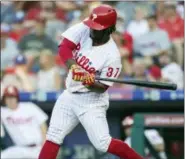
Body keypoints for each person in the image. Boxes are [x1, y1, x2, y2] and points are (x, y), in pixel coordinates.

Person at [39, 4, 143, 159]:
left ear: (109, 30)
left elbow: (102, 88)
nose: (92, 30)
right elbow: (64, 47)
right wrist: (75, 67)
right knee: (53, 135)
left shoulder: (112, 56)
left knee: (102, 143)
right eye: (92, 26)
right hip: (70, 94)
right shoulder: (85, 28)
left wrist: (89, 81)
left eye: (97, 28)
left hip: (91, 100)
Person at [1, 85, 48, 159]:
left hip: (37, 148)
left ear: (17, 98)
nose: (10, 100)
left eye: (12, 97)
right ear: (4, 99)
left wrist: (45, 147)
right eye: (7, 97)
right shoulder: (3, 112)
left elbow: (43, 126)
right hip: (19, 149)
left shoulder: (29, 107)